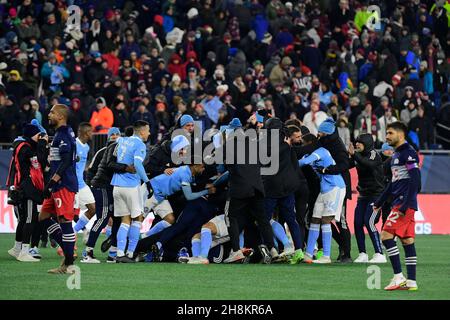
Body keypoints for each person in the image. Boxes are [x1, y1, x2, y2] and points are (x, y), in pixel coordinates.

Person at [374, 122, 421, 291]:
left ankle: (398, 276)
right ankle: (412, 281)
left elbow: (416, 180)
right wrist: (380, 201)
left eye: (390, 133)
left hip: (403, 203)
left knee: (386, 236)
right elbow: (393, 184)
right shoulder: (396, 155)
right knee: (407, 241)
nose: (386, 136)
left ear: (400, 134)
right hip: (401, 202)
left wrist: (406, 204)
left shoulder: (408, 154)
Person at [38, 104, 78, 274]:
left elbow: (67, 160)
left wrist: (52, 182)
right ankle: (68, 253)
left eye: (52, 112)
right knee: (44, 217)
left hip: (63, 184)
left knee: (65, 221)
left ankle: (68, 262)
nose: (49, 114)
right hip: (57, 185)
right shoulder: (62, 134)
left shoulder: (63, 135)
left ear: (61, 116)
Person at [298, 133, 346, 264]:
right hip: (324, 188)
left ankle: (326, 256)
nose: (301, 146)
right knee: (315, 219)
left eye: (303, 144)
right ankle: (308, 254)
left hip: (335, 187)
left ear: (309, 143)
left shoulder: (321, 151)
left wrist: (288, 164)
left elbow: (304, 162)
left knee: (326, 220)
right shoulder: (310, 154)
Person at [80, 127, 124, 263]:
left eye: (117, 134)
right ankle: (88, 252)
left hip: (112, 189)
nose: (115, 136)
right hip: (102, 186)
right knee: (103, 218)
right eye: (113, 134)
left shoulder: (121, 151)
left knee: (117, 219)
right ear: (108, 137)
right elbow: (91, 170)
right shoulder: (103, 152)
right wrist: (90, 187)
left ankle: (112, 253)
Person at [111, 120, 152, 263]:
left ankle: (120, 253)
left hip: (116, 185)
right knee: (138, 218)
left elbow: (114, 157)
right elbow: (138, 164)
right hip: (130, 186)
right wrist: (147, 181)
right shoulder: (140, 144)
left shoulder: (122, 141)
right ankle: (130, 254)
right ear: (141, 132)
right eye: (148, 130)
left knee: (125, 220)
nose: (149, 133)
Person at [7, 122, 47, 262]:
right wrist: (42, 144)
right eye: (38, 135)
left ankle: (17, 248)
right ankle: (24, 251)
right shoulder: (26, 148)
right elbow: (40, 161)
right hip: (27, 187)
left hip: (21, 186)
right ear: (31, 135)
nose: (39, 137)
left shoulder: (20, 146)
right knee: (30, 218)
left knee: (23, 219)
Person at [316, 117, 353, 263]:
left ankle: (347, 254)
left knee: (340, 220)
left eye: (320, 132)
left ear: (326, 133)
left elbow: (345, 165)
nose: (318, 134)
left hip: (340, 187)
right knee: (327, 219)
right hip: (329, 186)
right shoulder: (326, 142)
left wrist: (327, 170)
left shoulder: (337, 146)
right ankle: (343, 247)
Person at [349, 133, 386, 264]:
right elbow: (348, 164)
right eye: (356, 142)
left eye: (359, 142)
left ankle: (379, 254)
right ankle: (362, 253)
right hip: (363, 195)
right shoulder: (359, 156)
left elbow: (368, 164)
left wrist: (354, 155)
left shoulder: (374, 155)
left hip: (376, 195)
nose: (356, 144)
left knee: (369, 222)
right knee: (357, 223)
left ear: (367, 143)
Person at [71, 123, 96, 245]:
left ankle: (75, 230)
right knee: (67, 214)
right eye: (91, 132)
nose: (92, 134)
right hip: (72, 185)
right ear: (85, 133)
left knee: (93, 209)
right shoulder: (73, 144)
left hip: (81, 184)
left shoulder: (86, 147)